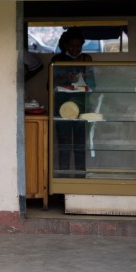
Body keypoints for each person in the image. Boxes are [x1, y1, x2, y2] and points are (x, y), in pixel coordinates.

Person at [51, 27, 94, 177]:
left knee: (80, 146)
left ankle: (80, 180)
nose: (75, 49)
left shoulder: (86, 59)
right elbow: (49, 85)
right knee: (64, 146)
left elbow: (93, 85)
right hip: (61, 108)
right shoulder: (56, 60)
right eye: (72, 46)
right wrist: (66, 79)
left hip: (82, 107)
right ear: (65, 45)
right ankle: (62, 182)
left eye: (79, 46)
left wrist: (87, 79)